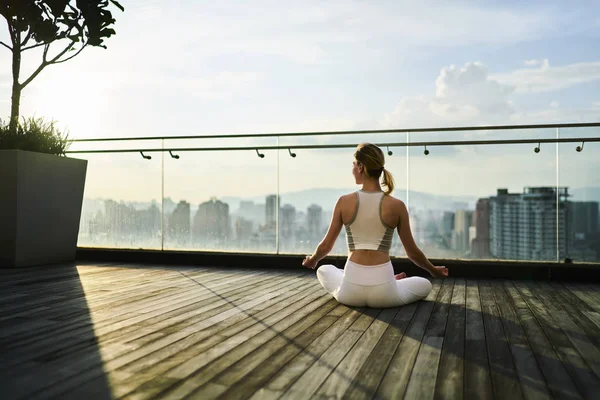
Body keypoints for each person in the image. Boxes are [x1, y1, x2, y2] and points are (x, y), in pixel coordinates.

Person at [302, 143, 449, 308]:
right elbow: (413, 253)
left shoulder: (344, 202)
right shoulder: (396, 205)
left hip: (350, 293)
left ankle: (354, 278)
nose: (352, 169)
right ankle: (394, 282)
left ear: (360, 167)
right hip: (384, 294)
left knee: (323, 269)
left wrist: (313, 260)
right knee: (424, 284)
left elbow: (326, 246)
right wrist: (433, 270)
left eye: (353, 164)